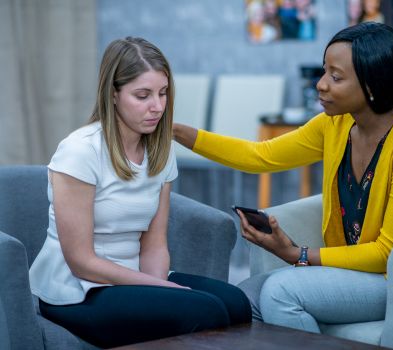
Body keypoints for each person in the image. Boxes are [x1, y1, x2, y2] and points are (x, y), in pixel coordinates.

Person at [173, 22, 393, 333]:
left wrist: (297, 254)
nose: (320, 84)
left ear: (372, 86)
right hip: (352, 273)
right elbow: (259, 155)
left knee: (281, 292)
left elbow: (388, 254)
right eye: (324, 71)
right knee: (241, 299)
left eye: (336, 76)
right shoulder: (335, 125)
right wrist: (176, 131)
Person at [29, 37, 251, 348]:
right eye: (142, 95)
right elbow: (81, 261)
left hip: (132, 277)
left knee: (236, 303)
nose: (157, 106)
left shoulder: (159, 150)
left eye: (163, 93)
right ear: (113, 94)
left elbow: (154, 243)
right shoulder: (80, 151)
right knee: (205, 311)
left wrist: (158, 288)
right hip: (76, 289)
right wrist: (160, 291)